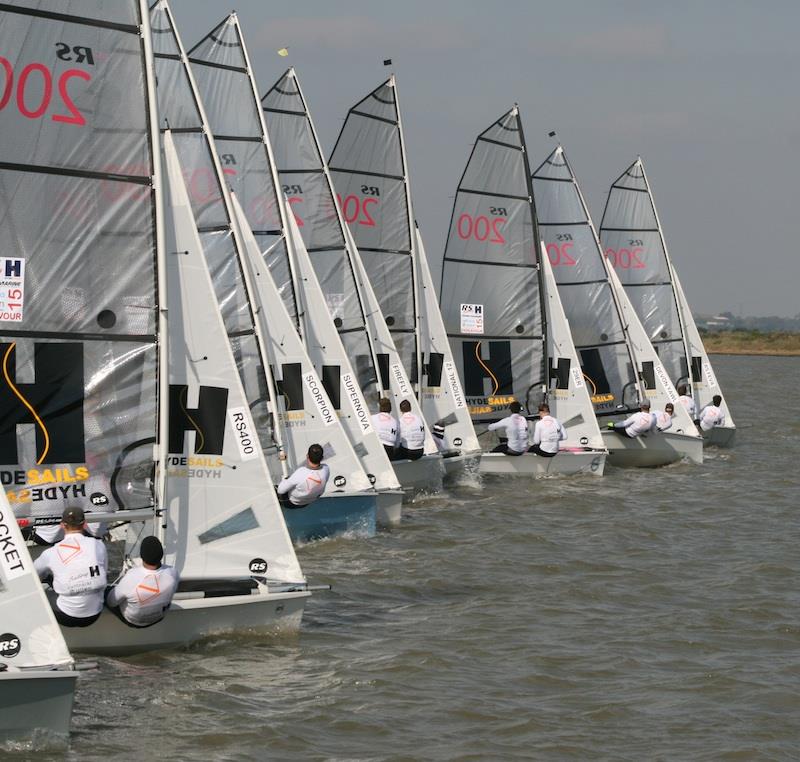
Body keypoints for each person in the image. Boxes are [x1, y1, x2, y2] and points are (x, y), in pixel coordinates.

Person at [33, 506, 108, 627]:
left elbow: (32, 575)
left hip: (66, 617)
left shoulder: (50, 553)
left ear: (62, 525)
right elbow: (103, 570)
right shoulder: (98, 545)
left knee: (43, 580)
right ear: (84, 524)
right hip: (94, 615)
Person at [105, 536, 179, 628]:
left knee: (105, 591)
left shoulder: (131, 576)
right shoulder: (173, 573)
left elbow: (111, 602)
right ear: (161, 554)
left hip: (134, 621)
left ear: (141, 555)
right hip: (159, 617)